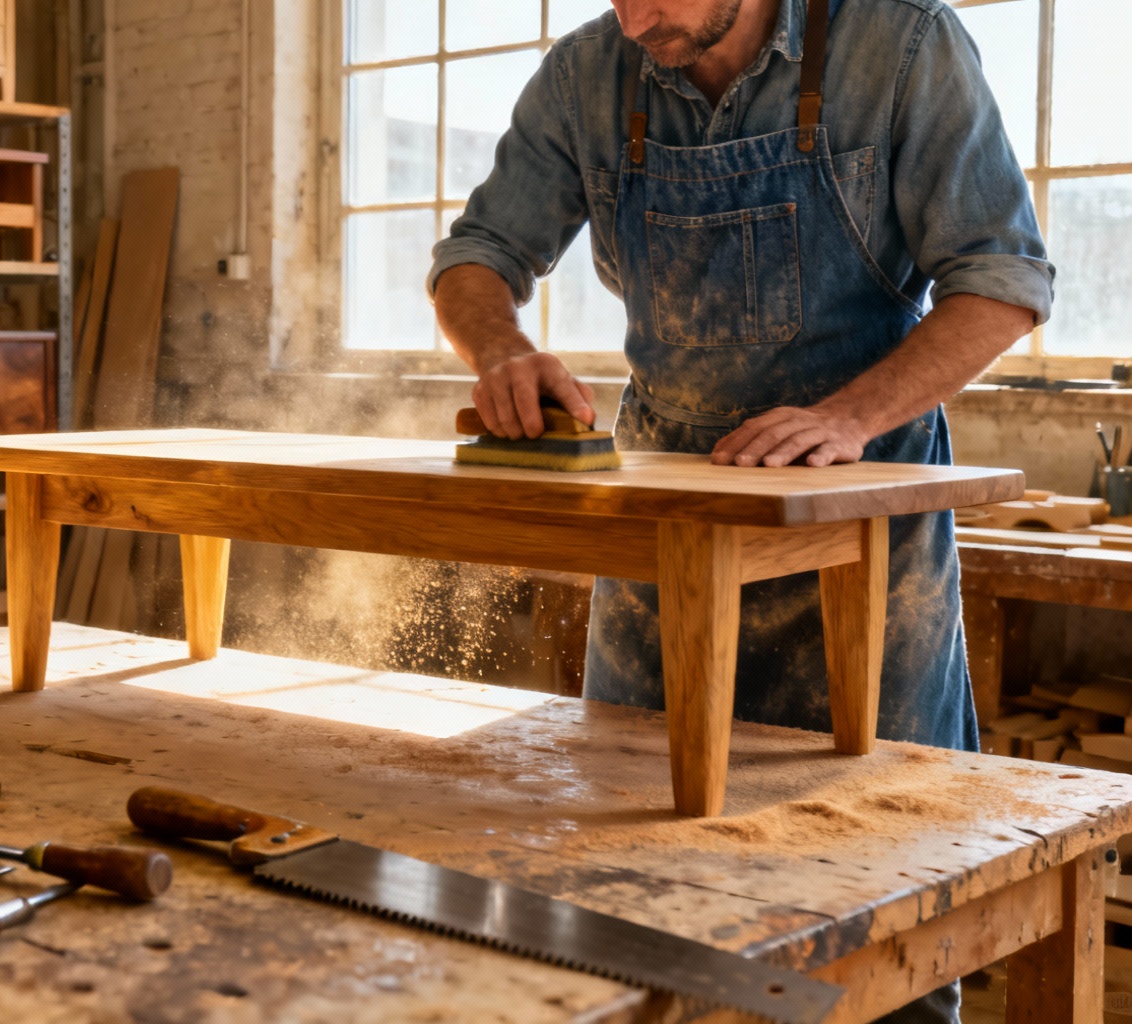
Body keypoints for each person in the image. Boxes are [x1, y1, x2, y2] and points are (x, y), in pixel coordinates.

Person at [430, 0, 1051, 1018]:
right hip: (666, 517)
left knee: (877, 868)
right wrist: (498, 347)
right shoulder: (590, 70)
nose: (634, 22)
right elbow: (475, 252)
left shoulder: (899, 45)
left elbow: (1001, 281)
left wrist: (847, 416)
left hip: (855, 516)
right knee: (637, 862)